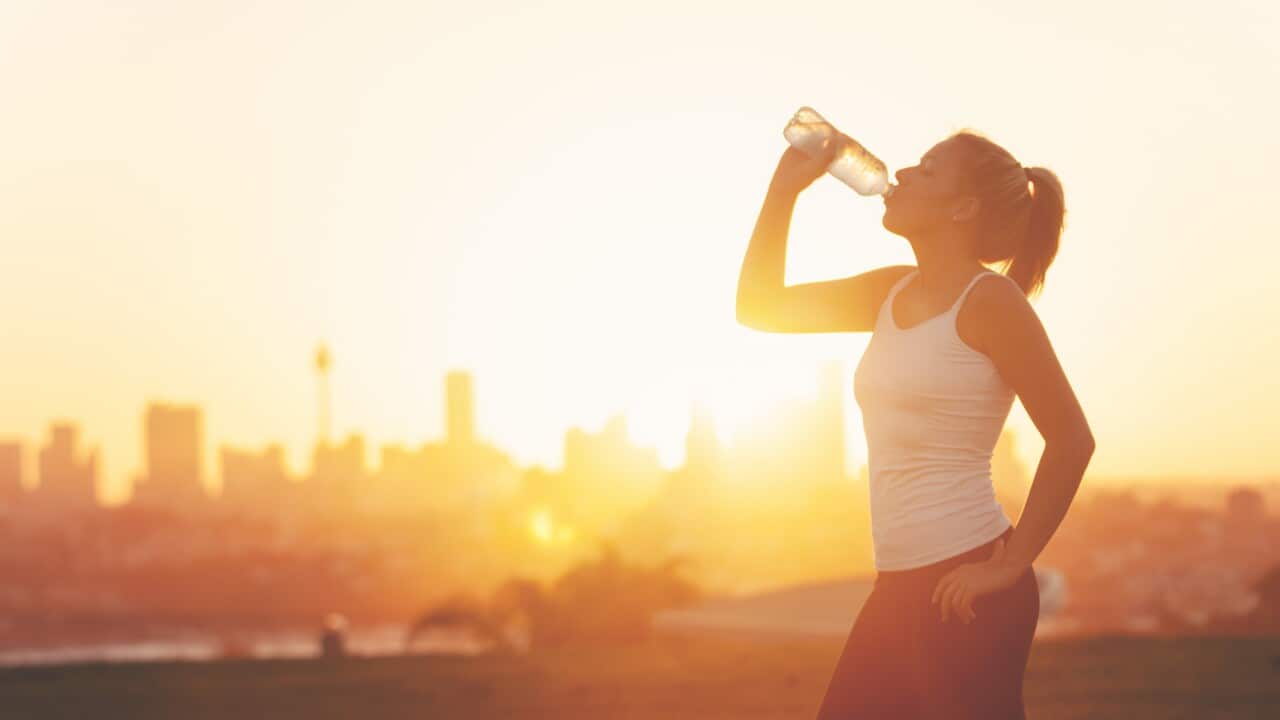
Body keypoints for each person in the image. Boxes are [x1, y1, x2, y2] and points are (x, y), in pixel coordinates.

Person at [736, 130, 1095, 719]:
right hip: (900, 584)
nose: (901, 173)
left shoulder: (993, 302)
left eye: (928, 170)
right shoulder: (889, 291)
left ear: (964, 208)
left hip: (967, 586)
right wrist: (784, 190)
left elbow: (1072, 439)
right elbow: (758, 306)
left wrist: (1008, 566)